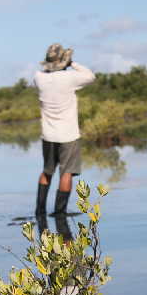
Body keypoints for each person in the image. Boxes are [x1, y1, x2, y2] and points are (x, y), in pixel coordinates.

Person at [33, 43, 95, 216]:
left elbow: (46, 72)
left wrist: (61, 64)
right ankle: (59, 213)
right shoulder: (69, 78)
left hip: (48, 135)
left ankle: (40, 211)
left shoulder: (39, 77)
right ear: (63, 61)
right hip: (68, 135)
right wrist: (72, 63)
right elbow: (90, 76)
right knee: (66, 173)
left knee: (47, 171)